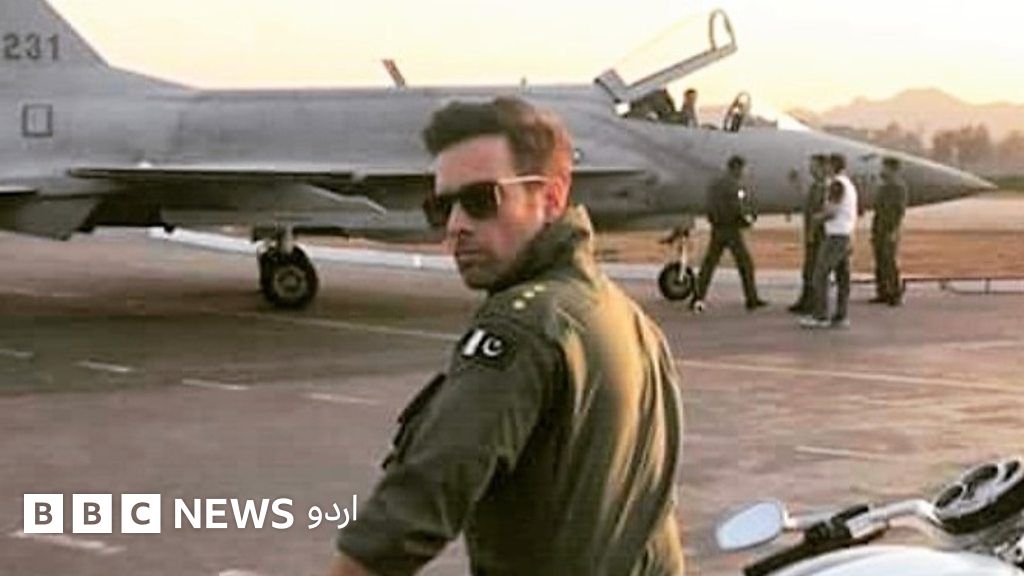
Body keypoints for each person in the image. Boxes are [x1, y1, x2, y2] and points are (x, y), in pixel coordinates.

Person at [328, 97, 686, 576]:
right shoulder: (629, 320)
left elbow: (415, 508)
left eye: (481, 201)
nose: (455, 227)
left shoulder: (520, 328)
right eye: (442, 207)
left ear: (551, 198)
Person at [691, 155, 767, 312]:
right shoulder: (734, 185)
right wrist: (748, 221)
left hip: (717, 228)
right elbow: (737, 207)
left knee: (709, 265)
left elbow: (710, 205)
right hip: (731, 229)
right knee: (745, 264)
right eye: (743, 169)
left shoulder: (715, 184)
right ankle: (751, 299)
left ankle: (698, 297)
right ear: (737, 168)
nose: (744, 172)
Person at [801, 153, 858, 329]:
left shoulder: (836, 184)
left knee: (820, 274)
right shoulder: (848, 184)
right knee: (843, 278)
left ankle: (821, 315)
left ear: (832, 166)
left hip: (835, 236)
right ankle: (841, 315)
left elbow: (832, 211)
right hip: (846, 234)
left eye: (827, 165)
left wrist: (817, 218)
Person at [789, 154, 829, 314]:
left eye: (814, 166)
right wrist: (797, 184)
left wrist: (812, 232)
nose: (811, 169)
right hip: (812, 233)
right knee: (808, 269)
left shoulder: (825, 188)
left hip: (818, 234)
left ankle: (812, 302)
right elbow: (807, 203)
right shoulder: (815, 187)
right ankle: (806, 299)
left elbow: (819, 212)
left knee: (814, 269)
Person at [870, 156, 909, 305]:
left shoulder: (898, 188)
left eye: (885, 167)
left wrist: (893, 231)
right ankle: (882, 292)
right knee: (879, 261)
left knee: (889, 262)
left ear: (893, 169)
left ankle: (895, 293)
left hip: (889, 229)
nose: (882, 170)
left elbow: (899, 211)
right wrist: (874, 230)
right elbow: (878, 210)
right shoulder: (883, 187)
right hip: (879, 228)